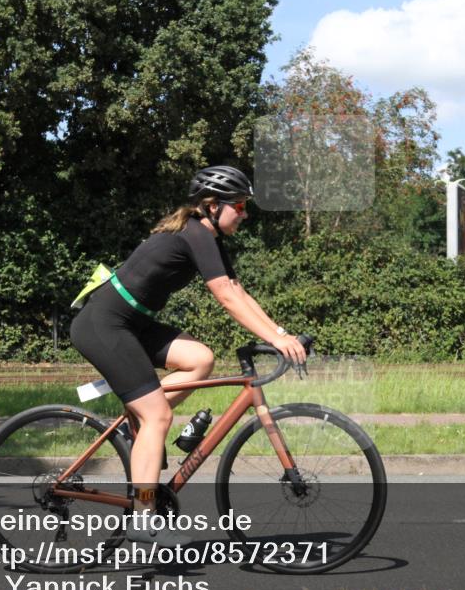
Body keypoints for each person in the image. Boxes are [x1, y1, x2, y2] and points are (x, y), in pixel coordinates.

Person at [69, 165, 306, 547]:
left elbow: (237, 290)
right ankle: (143, 516)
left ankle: (141, 422)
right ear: (213, 206)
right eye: (241, 206)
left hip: (133, 322)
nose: (244, 213)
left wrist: (280, 333)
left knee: (199, 358)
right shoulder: (195, 233)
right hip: (105, 323)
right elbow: (227, 300)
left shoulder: (207, 237)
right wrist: (278, 340)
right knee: (159, 415)